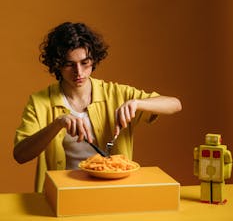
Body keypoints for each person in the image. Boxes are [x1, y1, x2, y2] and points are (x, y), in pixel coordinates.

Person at [13, 22, 182, 192]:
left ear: (93, 60)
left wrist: (138, 103)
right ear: (57, 64)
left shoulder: (115, 93)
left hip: (114, 193)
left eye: (85, 62)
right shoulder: (40, 102)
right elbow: (20, 155)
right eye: (69, 64)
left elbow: (175, 104)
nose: (79, 72)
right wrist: (58, 123)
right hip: (61, 194)